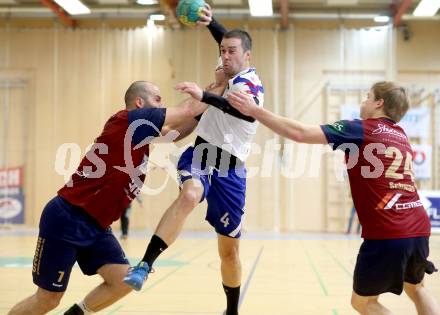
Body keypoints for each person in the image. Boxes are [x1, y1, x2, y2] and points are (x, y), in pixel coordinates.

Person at [227, 81, 440, 315]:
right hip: (419, 226)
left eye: (367, 97)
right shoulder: (402, 136)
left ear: (379, 103)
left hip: (389, 231)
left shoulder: (361, 128)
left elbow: (300, 133)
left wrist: (254, 110)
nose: (363, 101)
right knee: (417, 288)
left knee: (363, 303)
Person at [7, 80, 210, 315]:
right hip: (68, 218)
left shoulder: (141, 136)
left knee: (126, 280)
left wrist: (207, 109)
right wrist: (215, 90)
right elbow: (187, 110)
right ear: (140, 103)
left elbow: (177, 131)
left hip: (97, 225)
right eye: (157, 99)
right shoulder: (126, 121)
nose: (162, 104)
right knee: (48, 299)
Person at [123, 8, 264, 315]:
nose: (225, 57)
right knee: (190, 194)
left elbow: (239, 111)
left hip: (231, 169)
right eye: (222, 52)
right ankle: (145, 265)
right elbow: (192, 118)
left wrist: (207, 93)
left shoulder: (249, 84)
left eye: (232, 53)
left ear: (248, 56)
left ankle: (231, 310)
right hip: (201, 153)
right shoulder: (220, 79)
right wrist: (211, 23)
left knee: (229, 253)